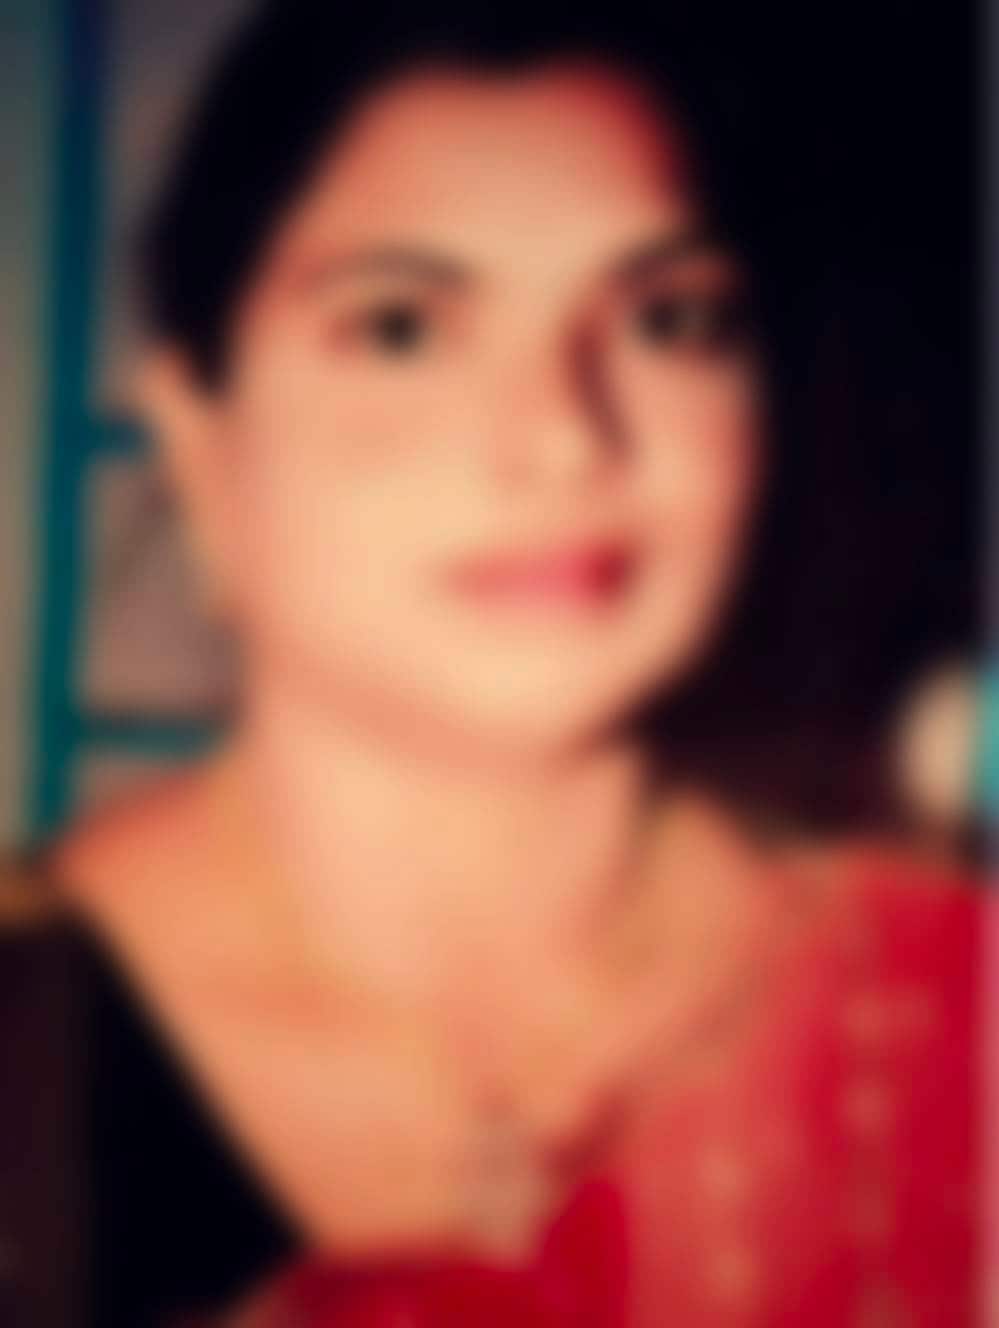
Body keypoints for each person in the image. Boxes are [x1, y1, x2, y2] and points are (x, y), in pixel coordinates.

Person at [0, 2, 980, 1324]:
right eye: (402, 328)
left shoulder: (939, 1023)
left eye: (670, 320)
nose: (563, 437)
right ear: (200, 441)